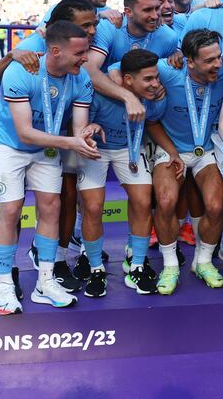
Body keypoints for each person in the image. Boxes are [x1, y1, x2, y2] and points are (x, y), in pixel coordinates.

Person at [0, 21, 100, 315]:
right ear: (55, 51)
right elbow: (24, 132)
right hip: (9, 146)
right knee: (11, 210)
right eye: (79, 53)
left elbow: (77, 129)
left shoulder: (81, 78)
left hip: (48, 147)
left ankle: (45, 283)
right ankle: (4, 285)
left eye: (86, 51)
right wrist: (71, 142)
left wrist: (86, 136)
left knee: (51, 207)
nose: (85, 58)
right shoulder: (20, 70)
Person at [78, 49, 168, 297]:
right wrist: (91, 127)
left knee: (142, 201)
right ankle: (96, 268)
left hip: (129, 149)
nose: (155, 84)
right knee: (93, 207)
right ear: (127, 80)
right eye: (148, 79)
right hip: (97, 149)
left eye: (156, 78)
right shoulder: (100, 92)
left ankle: (136, 265)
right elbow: (80, 123)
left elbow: (153, 122)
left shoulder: (155, 96)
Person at [146, 29, 223, 293]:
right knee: (167, 201)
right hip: (172, 149)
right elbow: (120, 67)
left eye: (218, 57)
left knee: (216, 206)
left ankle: (203, 261)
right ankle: (170, 265)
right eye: (209, 61)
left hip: (206, 149)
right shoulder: (168, 72)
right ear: (189, 61)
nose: (217, 64)